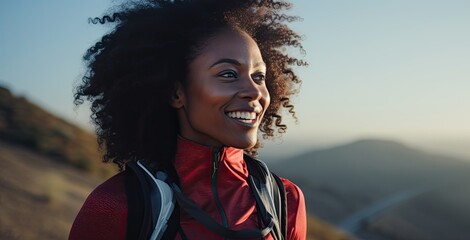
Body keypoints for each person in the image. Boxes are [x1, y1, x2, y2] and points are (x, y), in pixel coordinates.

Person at [69, 0, 306, 239]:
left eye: (259, 76)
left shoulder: (285, 200)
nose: (255, 92)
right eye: (228, 74)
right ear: (176, 92)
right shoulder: (116, 205)